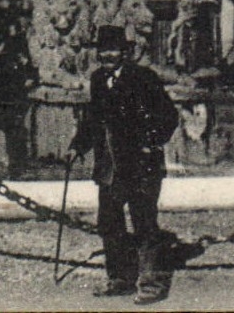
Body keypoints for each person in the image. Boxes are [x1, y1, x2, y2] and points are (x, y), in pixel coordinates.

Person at [69, 24, 180, 304]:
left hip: (142, 167)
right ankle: (120, 279)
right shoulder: (97, 80)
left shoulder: (143, 78)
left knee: (144, 224)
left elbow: (168, 115)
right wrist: (77, 147)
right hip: (110, 169)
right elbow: (92, 119)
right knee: (110, 224)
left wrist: (150, 142)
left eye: (113, 49)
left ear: (125, 52)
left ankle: (152, 284)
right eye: (103, 50)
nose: (108, 55)